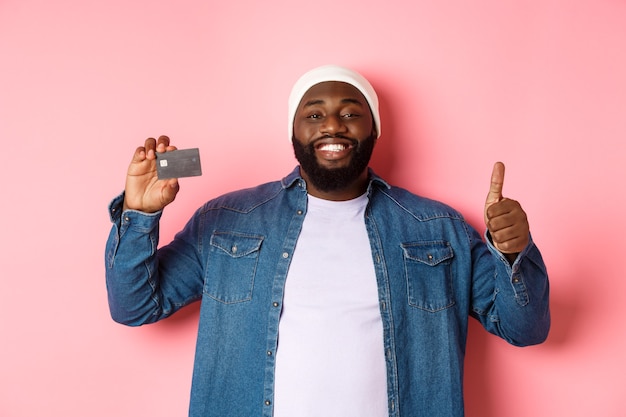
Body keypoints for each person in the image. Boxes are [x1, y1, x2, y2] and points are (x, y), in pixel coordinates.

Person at [105, 65, 550, 417]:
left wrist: (513, 253)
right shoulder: (226, 221)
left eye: (351, 112)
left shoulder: (437, 228)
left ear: (374, 131)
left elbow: (524, 329)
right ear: (293, 133)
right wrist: (141, 215)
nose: (332, 124)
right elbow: (135, 305)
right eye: (314, 114)